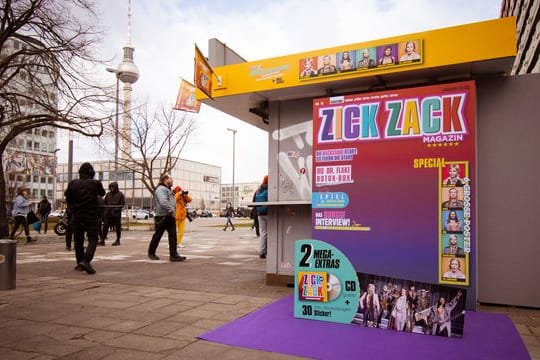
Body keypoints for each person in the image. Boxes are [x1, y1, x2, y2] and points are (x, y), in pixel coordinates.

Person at [64, 162, 106, 274]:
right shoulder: (95, 183)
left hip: (77, 214)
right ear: (91, 173)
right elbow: (102, 193)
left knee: (78, 240)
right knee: (93, 239)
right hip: (91, 214)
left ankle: (79, 263)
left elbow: (68, 197)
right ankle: (86, 261)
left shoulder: (73, 183)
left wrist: (72, 209)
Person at [147, 173, 186, 262]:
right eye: (170, 179)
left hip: (169, 216)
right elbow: (163, 202)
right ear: (165, 179)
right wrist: (172, 211)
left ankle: (173, 255)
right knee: (158, 235)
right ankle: (151, 253)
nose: (172, 181)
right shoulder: (160, 189)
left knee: (173, 235)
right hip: (162, 217)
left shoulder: (168, 189)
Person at [100, 182, 125, 246]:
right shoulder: (108, 194)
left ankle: (118, 239)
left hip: (116, 214)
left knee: (117, 227)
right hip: (108, 213)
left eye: (113, 187)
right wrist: (105, 211)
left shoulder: (120, 194)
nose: (112, 188)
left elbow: (122, 204)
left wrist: (117, 209)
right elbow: (104, 203)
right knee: (105, 226)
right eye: (111, 187)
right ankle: (102, 240)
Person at [254, 175, 269, 258]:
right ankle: (269, 250)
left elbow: (254, 201)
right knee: (271, 232)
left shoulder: (258, 190)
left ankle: (261, 251)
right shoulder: (270, 189)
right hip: (269, 213)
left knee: (263, 233)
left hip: (260, 214)